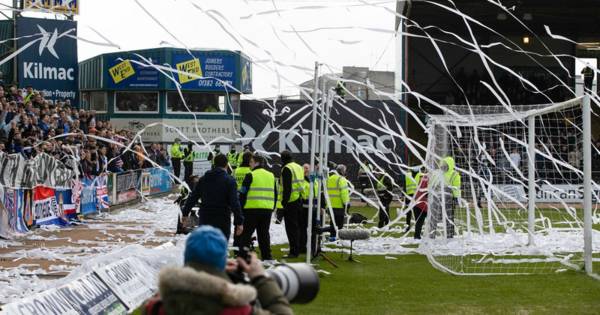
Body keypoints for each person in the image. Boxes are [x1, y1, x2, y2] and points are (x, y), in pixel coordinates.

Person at [146, 226, 292, 315]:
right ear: (222, 259)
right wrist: (261, 278)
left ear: (186, 258)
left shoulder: (157, 306)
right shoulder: (237, 310)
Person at [181, 154, 243, 240]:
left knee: (205, 245)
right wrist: (239, 222)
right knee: (221, 246)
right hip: (222, 218)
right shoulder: (230, 180)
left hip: (206, 216)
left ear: (214, 164)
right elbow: (234, 202)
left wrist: (185, 213)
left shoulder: (203, 179)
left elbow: (193, 197)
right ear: (226, 165)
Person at [239, 154, 277, 260]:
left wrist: (241, 209)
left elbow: (243, 193)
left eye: (251, 162)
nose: (249, 164)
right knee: (264, 234)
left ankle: (243, 256)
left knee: (246, 234)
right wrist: (272, 207)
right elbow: (275, 193)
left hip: (251, 209)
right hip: (267, 209)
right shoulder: (271, 175)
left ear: (257, 163)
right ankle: (267, 256)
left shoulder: (250, 175)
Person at [276, 151, 305, 258]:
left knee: (291, 228)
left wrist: (284, 202)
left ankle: (293, 251)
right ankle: (297, 248)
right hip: (299, 199)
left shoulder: (286, 168)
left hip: (290, 201)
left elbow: (287, 187)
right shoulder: (298, 167)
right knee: (297, 227)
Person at [326, 164, 350, 240]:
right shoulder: (342, 179)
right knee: (339, 223)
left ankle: (332, 236)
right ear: (342, 171)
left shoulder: (329, 178)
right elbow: (344, 193)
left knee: (332, 222)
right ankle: (339, 237)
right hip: (339, 205)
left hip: (330, 205)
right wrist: (346, 203)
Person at [413, 172, 429, 239]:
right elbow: (426, 194)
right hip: (422, 206)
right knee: (428, 222)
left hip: (417, 204)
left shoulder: (422, 179)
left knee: (419, 222)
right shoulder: (429, 180)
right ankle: (428, 236)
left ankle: (417, 236)